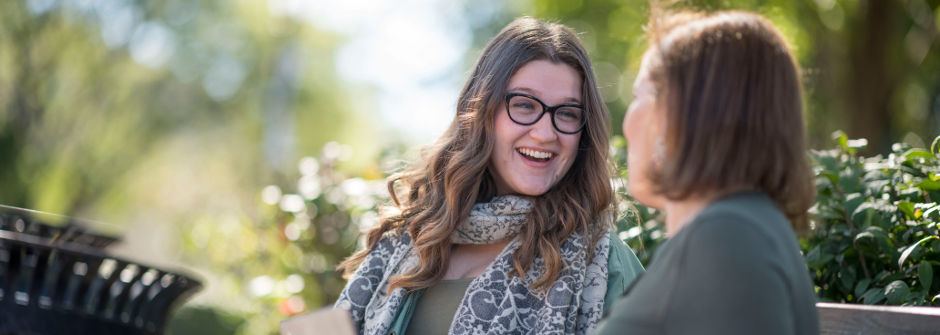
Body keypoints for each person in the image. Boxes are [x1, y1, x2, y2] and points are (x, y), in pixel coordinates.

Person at [333, 17, 644, 335]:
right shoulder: (407, 241)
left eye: (566, 113)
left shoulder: (606, 265)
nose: (545, 133)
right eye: (524, 105)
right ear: (482, 111)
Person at [595, 10, 819, 335]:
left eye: (638, 95)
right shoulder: (739, 230)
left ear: (679, 117)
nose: (626, 120)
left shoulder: (726, 239)